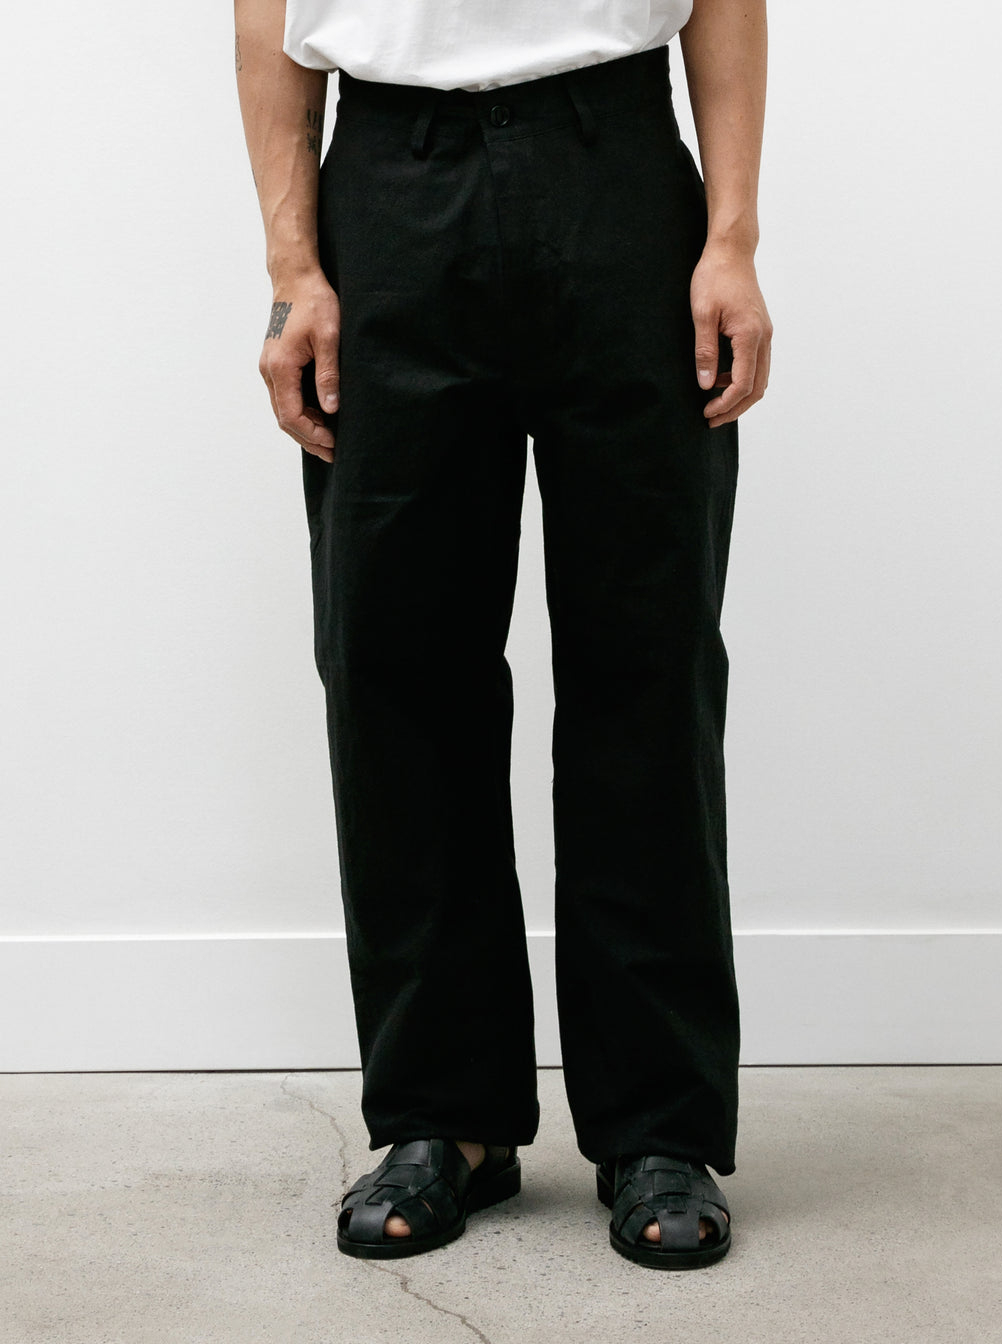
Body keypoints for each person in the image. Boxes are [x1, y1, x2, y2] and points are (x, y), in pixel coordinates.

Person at [234, 0, 771, 1270]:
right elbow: (267, 17)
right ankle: (445, 1118)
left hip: (619, 173)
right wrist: (293, 270)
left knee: (646, 663)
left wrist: (731, 239)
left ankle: (658, 1127)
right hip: (388, 192)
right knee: (396, 668)